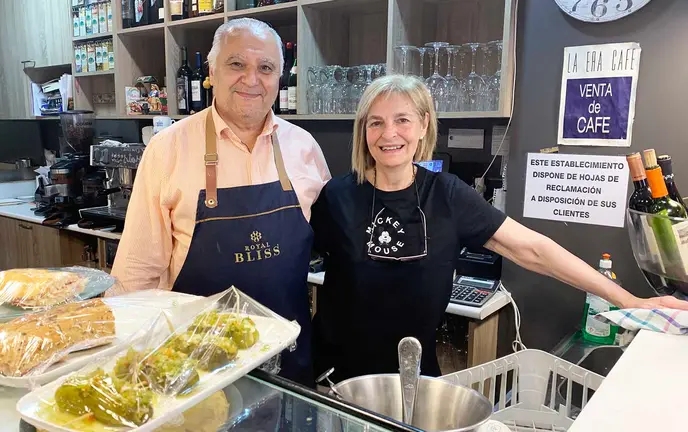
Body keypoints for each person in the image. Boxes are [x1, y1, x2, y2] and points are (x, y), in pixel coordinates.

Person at [310, 74, 688, 383]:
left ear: (424, 125)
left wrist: (630, 301)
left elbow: (534, 250)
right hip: (334, 376)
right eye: (376, 122)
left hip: (414, 377)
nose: (388, 133)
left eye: (402, 120)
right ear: (364, 131)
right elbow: (298, 261)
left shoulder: (448, 195)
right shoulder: (337, 196)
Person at [110, 18, 331, 384]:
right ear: (212, 70)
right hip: (194, 369)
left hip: (290, 365)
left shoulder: (304, 148)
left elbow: (331, 244)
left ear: (280, 76)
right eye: (236, 64)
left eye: (266, 68)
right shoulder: (168, 149)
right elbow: (136, 274)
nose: (252, 79)